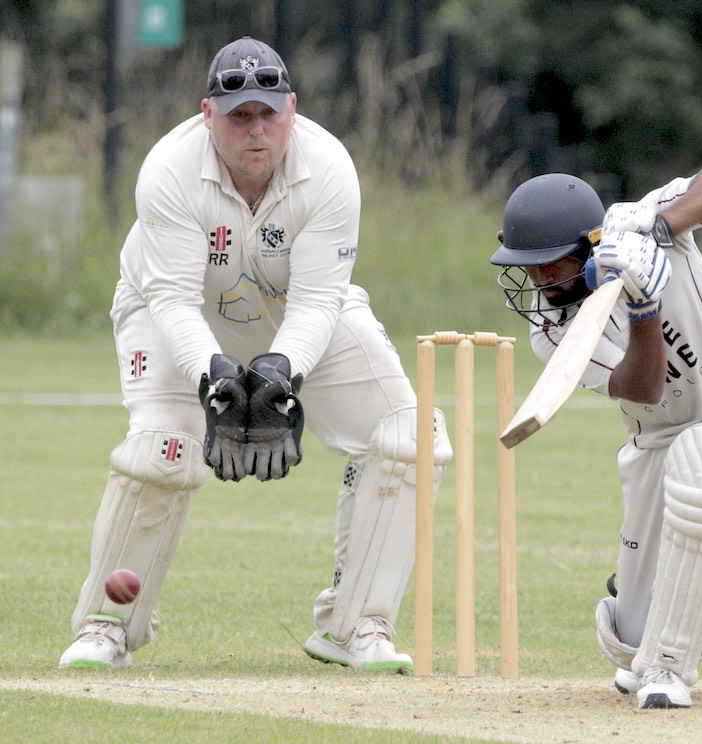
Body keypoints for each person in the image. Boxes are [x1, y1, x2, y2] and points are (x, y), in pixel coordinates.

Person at [59, 36, 451, 673]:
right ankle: (108, 624)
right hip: (171, 310)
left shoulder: (329, 170)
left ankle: (356, 626)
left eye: (269, 113)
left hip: (295, 308)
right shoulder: (168, 170)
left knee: (409, 434)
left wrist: (278, 372)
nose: (256, 131)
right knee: (161, 448)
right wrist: (215, 376)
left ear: (292, 108)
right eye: (239, 116)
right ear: (208, 114)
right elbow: (174, 300)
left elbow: (321, 300)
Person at [489, 160, 702, 708]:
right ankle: (694, 611)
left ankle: (669, 670)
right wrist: (644, 308)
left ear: (589, 247)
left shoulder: (641, 224)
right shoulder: (551, 329)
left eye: (550, 265)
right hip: (655, 440)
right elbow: (645, 390)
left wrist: (663, 227)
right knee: (627, 640)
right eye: (529, 268)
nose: (540, 281)